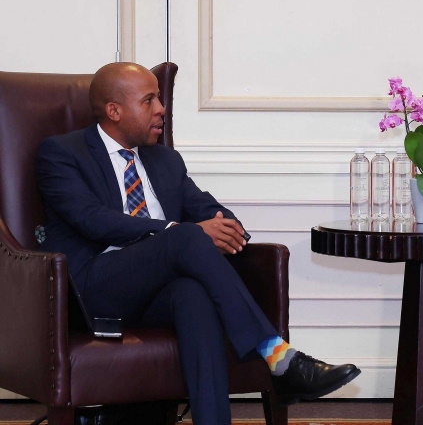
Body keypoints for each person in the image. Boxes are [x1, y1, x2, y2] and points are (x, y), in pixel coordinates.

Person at [36, 62, 360, 424]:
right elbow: (90, 219)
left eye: (160, 98)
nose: (161, 109)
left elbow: (211, 211)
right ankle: (276, 355)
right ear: (114, 111)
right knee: (186, 235)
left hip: (156, 294)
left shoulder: (165, 160)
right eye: (149, 100)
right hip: (96, 290)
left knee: (193, 295)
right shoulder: (63, 153)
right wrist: (178, 232)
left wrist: (225, 228)